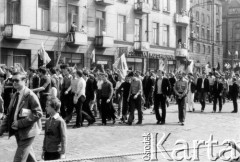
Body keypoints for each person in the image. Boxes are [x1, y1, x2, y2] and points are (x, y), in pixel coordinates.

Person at [0, 72, 43, 162]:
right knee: (29, 158)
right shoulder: (15, 95)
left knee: (19, 159)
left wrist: (20, 123)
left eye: (17, 80)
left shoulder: (30, 95)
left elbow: (38, 113)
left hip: (28, 132)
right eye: (12, 80)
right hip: (18, 132)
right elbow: (9, 115)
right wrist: (1, 130)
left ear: (24, 81)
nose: (14, 82)